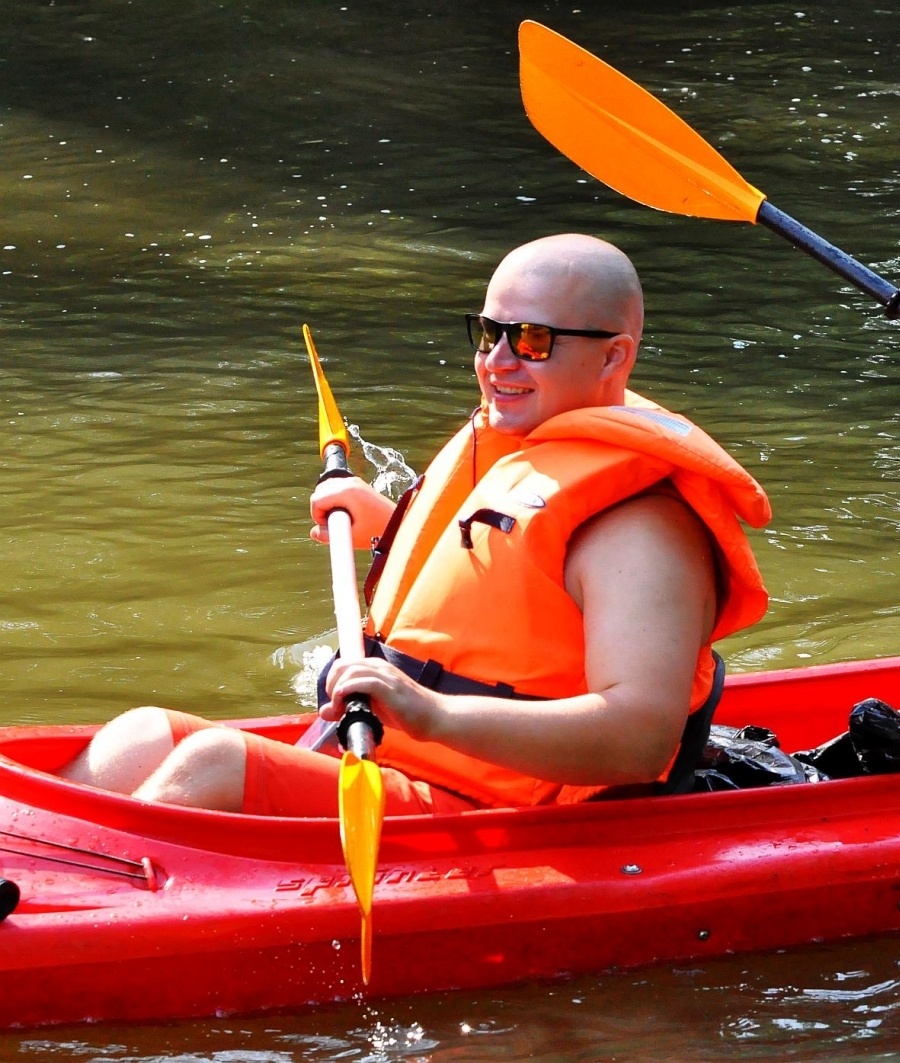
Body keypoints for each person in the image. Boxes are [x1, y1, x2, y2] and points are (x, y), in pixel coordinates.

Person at [63, 234, 771, 812]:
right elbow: (505, 575)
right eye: (489, 333)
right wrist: (388, 525)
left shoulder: (641, 529)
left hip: (497, 811)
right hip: (388, 753)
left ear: (614, 354)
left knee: (214, 764)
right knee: (141, 734)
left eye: (532, 340)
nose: (497, 363)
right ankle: (41, 881)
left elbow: (636, 739)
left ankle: (70, 921)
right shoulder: (527, 443)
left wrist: (428, 712)